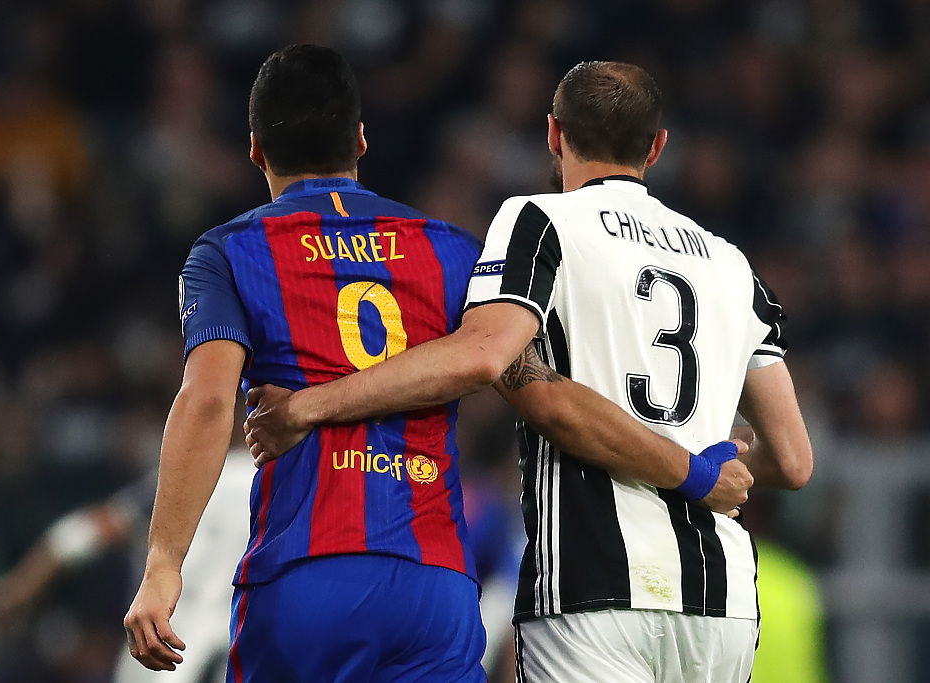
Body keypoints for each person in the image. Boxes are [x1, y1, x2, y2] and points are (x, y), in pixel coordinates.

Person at [245, 60, 813, 682]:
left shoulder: (542, 221)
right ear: (656, 147)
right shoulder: (732, 264)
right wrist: (703, 458)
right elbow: (792, 460)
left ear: (553, 134)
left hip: (594, 590)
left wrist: (307, 406)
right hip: (721, 604)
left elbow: (484, 356)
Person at [122, 44, 489, 682]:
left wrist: (162, 567)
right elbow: (527, 380)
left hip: (307, 576)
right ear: (361, 140)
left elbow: (207, 401)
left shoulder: (230, 252)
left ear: (256, 150)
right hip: (437, 582)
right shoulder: (453, 249)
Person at [0, 450, 254, 683]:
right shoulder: (271, 485)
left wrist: (22, 586)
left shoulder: (197, 473)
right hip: (239, 643)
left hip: (164, 641)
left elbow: (90, 531)